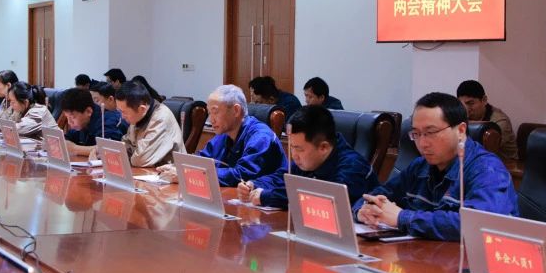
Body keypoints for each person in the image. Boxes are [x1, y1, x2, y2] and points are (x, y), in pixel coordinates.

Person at [355, 92, 518, 241]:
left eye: (430, 133)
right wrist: (364, 210)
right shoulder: (419, 166)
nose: (422, 143)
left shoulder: (487, 170)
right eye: (416, 134)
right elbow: (376, 195)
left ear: (461, 130)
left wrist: (402, 218)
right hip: (427, 255)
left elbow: (477, 224)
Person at [240, 105, 377, 210]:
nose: (293, 155)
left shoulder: (353, 166)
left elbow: (322, 198)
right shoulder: (309, 159)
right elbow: (282, 177)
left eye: (298, 149)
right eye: (291, 147)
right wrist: (254, 185)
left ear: (323, 147)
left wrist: (267, 196)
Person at [184, 85, 285, 187]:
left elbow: (242, 175)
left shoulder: (261, 137)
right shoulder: (224, 133)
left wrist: (195, 173)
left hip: (262, 195)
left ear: (236, 110)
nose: (211, 120)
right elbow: (201, 159)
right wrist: (182, 169)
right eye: (209, 113)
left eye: (215, 112)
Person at [116, 81, 184, 167]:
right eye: (119, 111)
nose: (122, 117)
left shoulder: (160, 118)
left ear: (141, 109)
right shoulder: (138, 116)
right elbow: (125, 145)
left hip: (167, 173)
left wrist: (129, 153)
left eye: (124, 112)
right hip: (146, 170)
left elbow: (140, 160)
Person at [456, 80, 519, 163]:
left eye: (470, 103)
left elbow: (484, 148)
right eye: (462, 104)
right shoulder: (463, 117)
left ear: (484, 100)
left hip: (507, 165)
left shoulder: (499, 121)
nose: (466, 109)